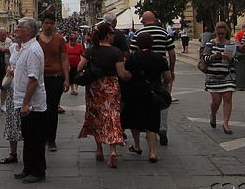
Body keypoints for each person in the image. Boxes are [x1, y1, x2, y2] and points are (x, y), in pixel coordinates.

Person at [77, 23, 125, 168]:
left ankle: (99, 150)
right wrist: (129, 75)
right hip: (110, 86)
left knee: (96, 116)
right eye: (112, 33)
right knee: (112, 117)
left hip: (94, 87)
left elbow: (79, 67)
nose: (114, 36)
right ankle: (113, 150)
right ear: (107, 35)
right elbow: (121, 73)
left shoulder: (91, 50)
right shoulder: (116, 52)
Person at [121, 32, 170, 163]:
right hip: (153, 91)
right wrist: (160, 84)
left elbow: (126, 74)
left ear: (138, 44)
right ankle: (152, 153)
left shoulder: (133, 57)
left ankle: (137, 146)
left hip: (135, 90)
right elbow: (168, 77)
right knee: (153, 121)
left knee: (135, 119)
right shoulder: (159, 58)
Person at [130, 11, 175, 145]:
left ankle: (150, 130)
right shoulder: (164, 33)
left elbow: (132, 53)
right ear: (154, 20)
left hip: (143, 75)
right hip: (161, 71)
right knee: (163, 99)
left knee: (146, 102)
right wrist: (171, 69)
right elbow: (171, 53)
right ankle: (162, 128)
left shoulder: (138, 33)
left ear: (143, 21)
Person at [12, 17, 47, 184]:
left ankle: (38, 170)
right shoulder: (25, 48)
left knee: (35, 137)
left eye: (18, 28)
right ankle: (28, 167)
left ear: (27, 31)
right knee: (28, 136)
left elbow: (33, 79)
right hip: (23, 101)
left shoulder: (33, 50)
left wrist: (26, 103)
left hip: (32, 104)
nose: (15, 31)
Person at [37, 11, 69, 152]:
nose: (49, 26)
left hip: (56, 77)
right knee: (41, 108)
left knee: (52, 108)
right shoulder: (36, 39)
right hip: (40, 77)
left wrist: (67, 78)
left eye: (51, 23)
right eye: (46, 23)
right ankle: (42, 136)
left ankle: (51, 139)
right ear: (42, 25)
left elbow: (64, 59)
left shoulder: (60, 39)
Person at [203, 22, 237, 134]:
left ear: (226, 32)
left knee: (228, 98)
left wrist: (229, 58)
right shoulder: (210, 44)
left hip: (228, 74)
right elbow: (205, 58)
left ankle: (226, 123)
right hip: (213, 75)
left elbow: (236, 61)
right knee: (216, 101)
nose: (221, 36)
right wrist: (213, 57)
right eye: (219, 33)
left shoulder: (231, 44)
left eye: (223, 33)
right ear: (216, 33)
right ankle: (213, 115)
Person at [0, 39, 23, 165]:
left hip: (25, 90)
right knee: (12, 122)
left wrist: (17, 72)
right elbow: (10, 63)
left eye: (20, 29)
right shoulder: (13, 47)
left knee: (26, 123)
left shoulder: (31, 48)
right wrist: (9, 69)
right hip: (12, 88)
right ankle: (13, 153)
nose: (16, 34)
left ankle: (30, 153)